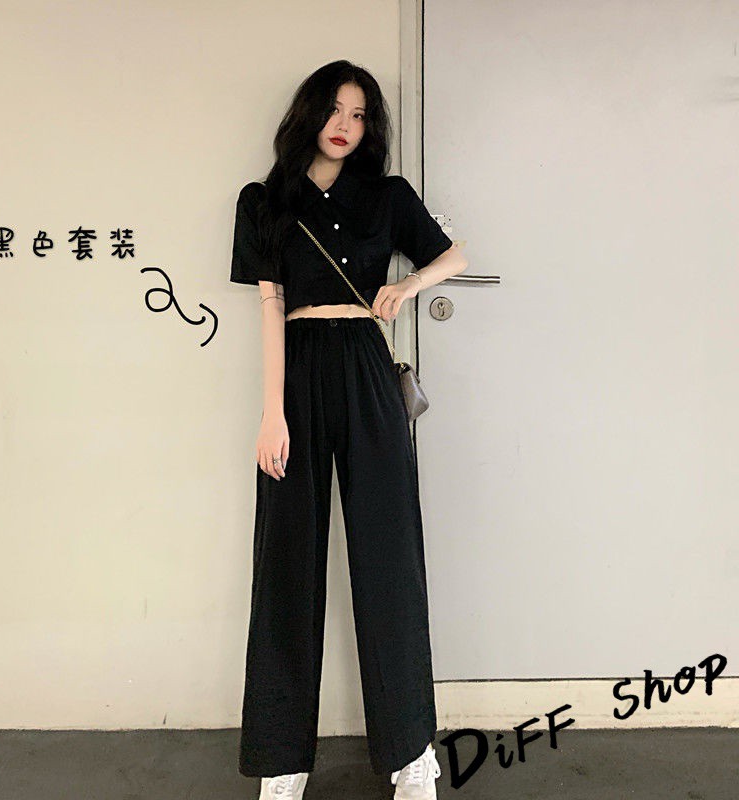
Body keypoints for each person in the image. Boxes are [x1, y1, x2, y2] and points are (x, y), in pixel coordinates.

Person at [229, 60, 468, 800]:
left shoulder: (387, 195)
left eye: (360, 114)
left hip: (365, 365)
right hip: (297, 372)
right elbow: (271, 305)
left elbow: (456, 254)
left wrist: (408, 284)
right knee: (286, 563)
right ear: (311, 113)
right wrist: (272, 411)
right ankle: (282, 762)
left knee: (389, 557)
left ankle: (411, 755)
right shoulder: (265, 201)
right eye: (335, 109)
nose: (345, 124)